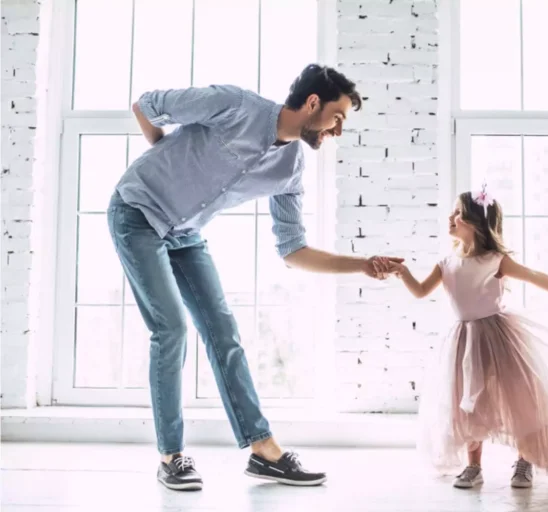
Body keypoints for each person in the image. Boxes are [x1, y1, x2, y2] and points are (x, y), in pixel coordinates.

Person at [107, 64, 399, 491]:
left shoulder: (290, 169)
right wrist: (161, 157)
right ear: (313, 103)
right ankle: (172, 456)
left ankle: (264, 452)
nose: (338, 130)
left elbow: (293, 251)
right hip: (136, 213)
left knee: (223, 332)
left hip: (184, 233)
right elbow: (146, 105)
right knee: (171, 329)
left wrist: (363, 264)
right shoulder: (235, 105)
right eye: (338, 117)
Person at [388, 186, 548, 489]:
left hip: (499, 337)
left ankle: (525, 461)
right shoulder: (446, 264)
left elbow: (535, 277)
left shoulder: (496, 260)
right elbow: (419, 291)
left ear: (475, 221)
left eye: (457, 212)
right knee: (468, 401)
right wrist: (400, 271)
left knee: (518, 398)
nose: (450, 217)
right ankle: (474, 466)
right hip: (464, 341)